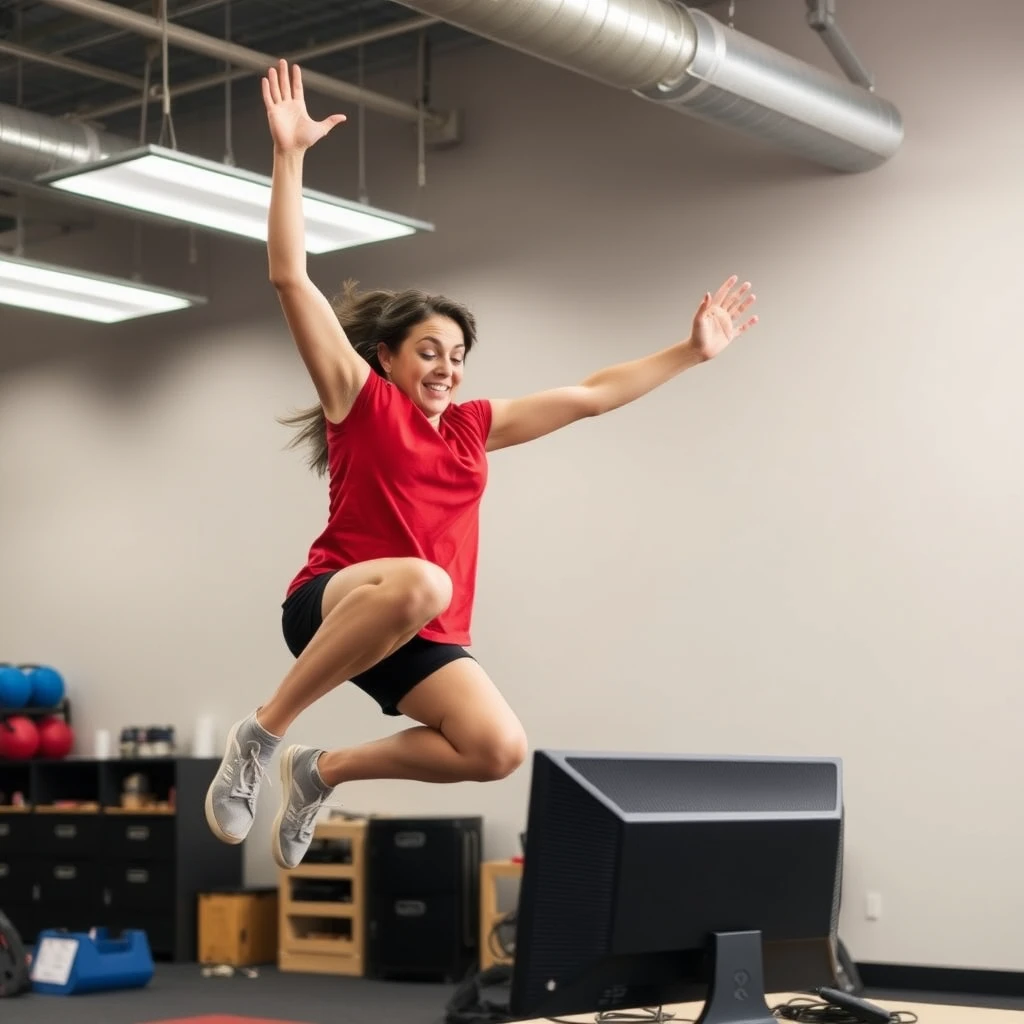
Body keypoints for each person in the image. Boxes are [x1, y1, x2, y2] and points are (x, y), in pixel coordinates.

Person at [204, 59, 758, 870]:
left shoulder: (471, 428)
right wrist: (289, 156)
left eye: (457, 355)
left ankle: (320, 770)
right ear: (386, 356)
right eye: (428, 351)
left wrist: (691, 352)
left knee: (496, 749)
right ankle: (261, 734)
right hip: (333, 605)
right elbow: (291, 276)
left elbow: (593, 394)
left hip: (420, 632)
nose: (446, 367)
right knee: (424, 578)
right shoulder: (359, 400)